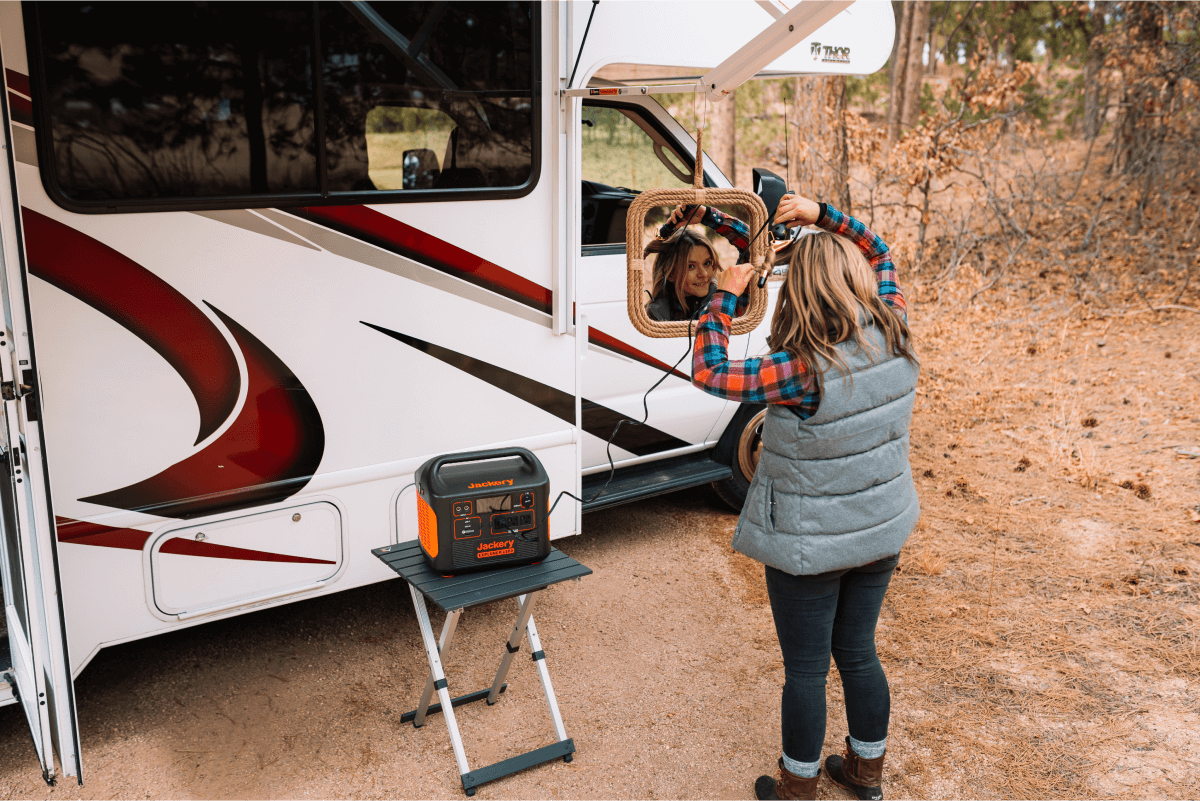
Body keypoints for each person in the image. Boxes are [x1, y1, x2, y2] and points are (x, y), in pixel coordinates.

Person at [691, 193, 919, 801]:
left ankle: (799, 789)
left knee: (807, 671)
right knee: (859, 652)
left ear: (800, 295)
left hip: (809, 543)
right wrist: (823, 215)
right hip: (878, 530)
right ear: (856, 280)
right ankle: (866, 774)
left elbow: (711, 372)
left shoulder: (798, 369)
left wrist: (724, 296)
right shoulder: (894, 326)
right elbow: (884, 252)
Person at [644, 204, 751, 322]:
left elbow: (755, 246)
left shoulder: (728, 302)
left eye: (707, 263)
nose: (703, 274)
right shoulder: (650, 318)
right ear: (670, 274)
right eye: (691, 266)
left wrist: (708, 216)